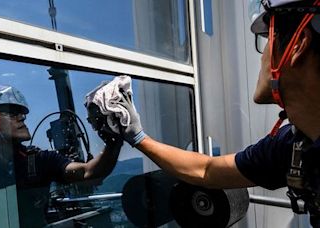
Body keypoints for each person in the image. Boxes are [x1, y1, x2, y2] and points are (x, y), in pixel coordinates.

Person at [114, 0, 320, 227]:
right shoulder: (292, 145)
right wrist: (138, 136)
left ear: (298, 44)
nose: (262, 56)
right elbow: (207, 171)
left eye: (268, 39)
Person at [0, 84, 123, 228]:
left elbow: (89, 173)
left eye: (21, 112)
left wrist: (114, 138)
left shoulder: (40, 160)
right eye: (11, 112)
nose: (22, 117)